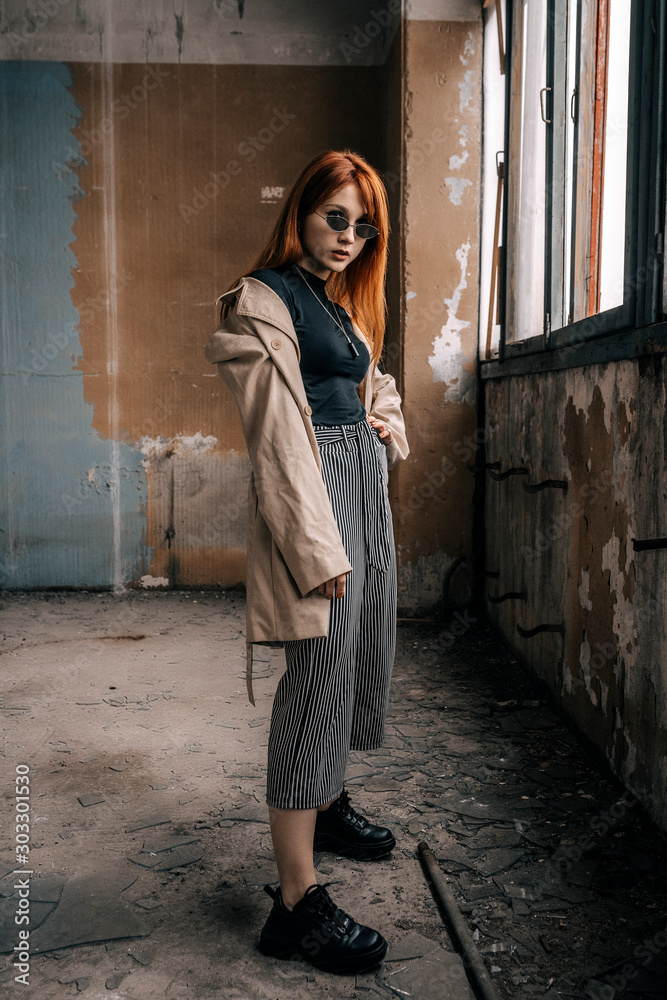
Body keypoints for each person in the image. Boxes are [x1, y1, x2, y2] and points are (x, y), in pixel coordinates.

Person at [204, 149, 409, 976]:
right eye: (335, 217)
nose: (348, 238)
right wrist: (316, 545)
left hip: (357, 480)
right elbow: (278, 440)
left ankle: (324, 805)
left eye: (363, 227)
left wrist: (384, 426)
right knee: (315, 673)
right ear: (300, 211)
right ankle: (294, 904)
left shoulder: (337, 302)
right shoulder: (262, 298)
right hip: (313, 491)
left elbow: (368, 380)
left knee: (355, 653)